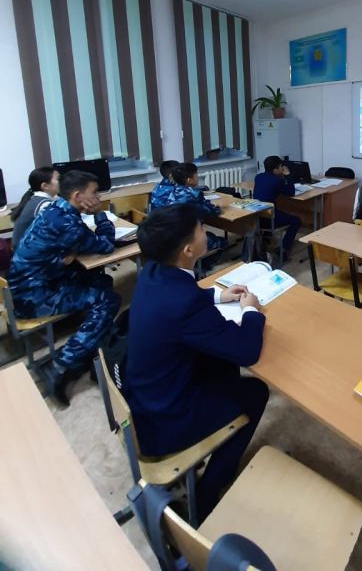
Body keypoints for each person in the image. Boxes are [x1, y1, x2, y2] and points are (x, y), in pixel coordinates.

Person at [125, 204, 268, 523]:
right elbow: (248, 351)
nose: (206, 231)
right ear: (188, 250)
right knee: (256, 391)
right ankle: (207, 494)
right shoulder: (184, 303)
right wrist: (251, 310)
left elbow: (182, 295)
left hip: (146, 396)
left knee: (221, 363)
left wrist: (217, 296)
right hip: (164, 419)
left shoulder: (153, 271)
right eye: (202, 228)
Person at [8, 170, 120, 405]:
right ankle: (60, 365)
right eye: (94, 192)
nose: (98, 197)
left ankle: (92, 347)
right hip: (34, 296)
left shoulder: (56, 210)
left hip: (33, 283)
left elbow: (73, 244)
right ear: (78, 196)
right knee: (107, 300)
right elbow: (106, 245)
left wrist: (73, 251)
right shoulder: (67, 222)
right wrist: (99, 215)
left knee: (100, 281)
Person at [160, 162, 226, 254]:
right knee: (222, 241)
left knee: (209, 234)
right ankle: (202, 261)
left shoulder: (172, 190)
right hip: (186, 238)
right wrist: (217, 208)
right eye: (196, 175)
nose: (197, 177)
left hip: (171, 235)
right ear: (189, 180)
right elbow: (211, 212)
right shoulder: (194, 194)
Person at [253, 156, 300, 262]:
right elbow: (291, 192)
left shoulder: (258, 177)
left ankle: (266, 240)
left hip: (257, 217)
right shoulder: (277, 181)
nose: (282, 168)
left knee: (280, 212)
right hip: (270, 219)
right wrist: (288, 175)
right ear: (275, 169)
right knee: (296, 221)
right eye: (280, 166)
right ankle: (283, 249)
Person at [10, 166, 60, 247]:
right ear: (45, 186)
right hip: (28, 251)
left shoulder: (34, 197)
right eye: (58, 179)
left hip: (25, 248)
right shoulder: (44, 205)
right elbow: (59, 229)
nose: (63, 181)